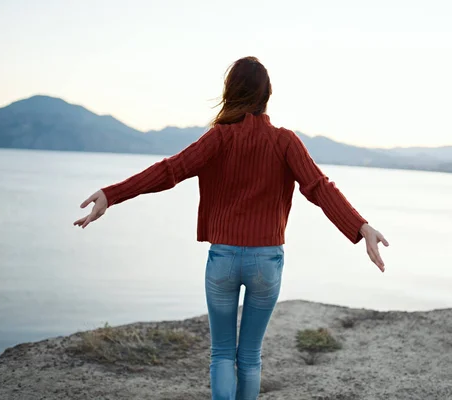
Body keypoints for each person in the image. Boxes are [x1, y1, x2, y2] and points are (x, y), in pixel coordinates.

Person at [74, 56, 388, 400]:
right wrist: (360, 226)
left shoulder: (218, 140)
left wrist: (112, 194)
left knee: (222, 353)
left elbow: (169, 171)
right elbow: (318, 186)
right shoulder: (285, 142)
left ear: (229, 93)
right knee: (250, 356)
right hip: (266, 261)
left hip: (222, 259)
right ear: (267, 95)